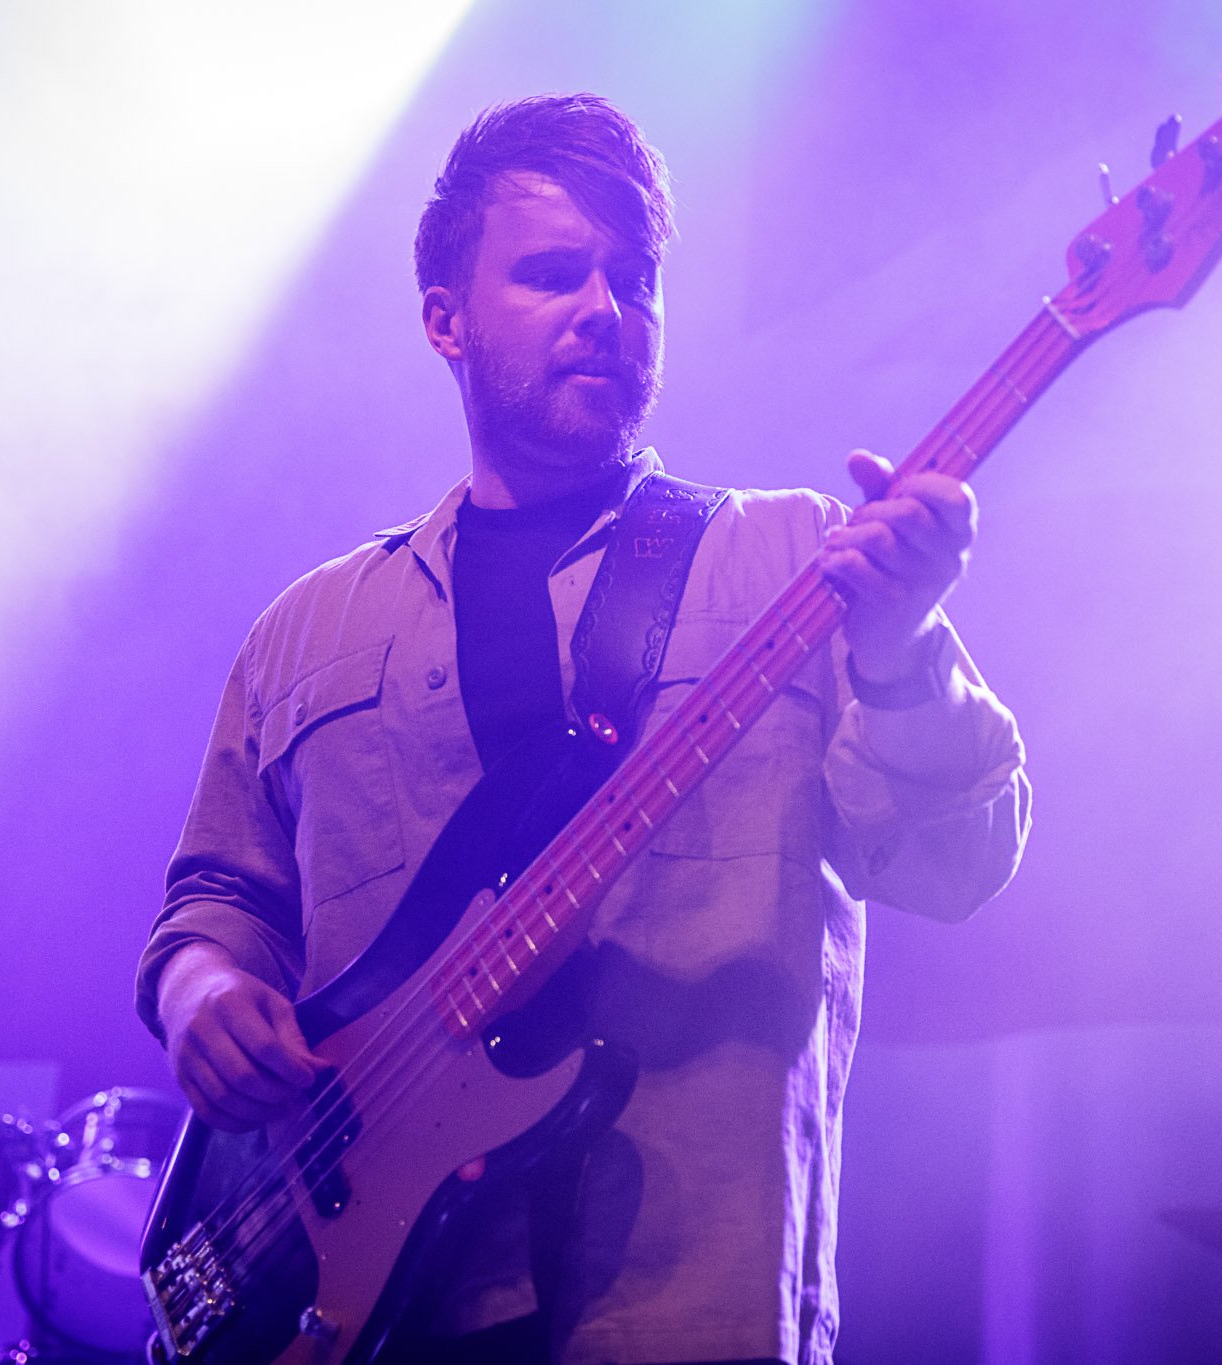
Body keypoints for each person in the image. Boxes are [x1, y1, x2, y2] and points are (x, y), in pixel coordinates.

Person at [137, 94, 1030, 1365]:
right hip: (350, 1308)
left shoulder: (793, 560)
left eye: (635, 280)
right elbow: (216, 899)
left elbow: (956, 869)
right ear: (444, 319)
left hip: (686, 1303)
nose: (604, 310)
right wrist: (201, 992)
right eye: (555, 274)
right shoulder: (305, 630)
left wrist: (897, 647)